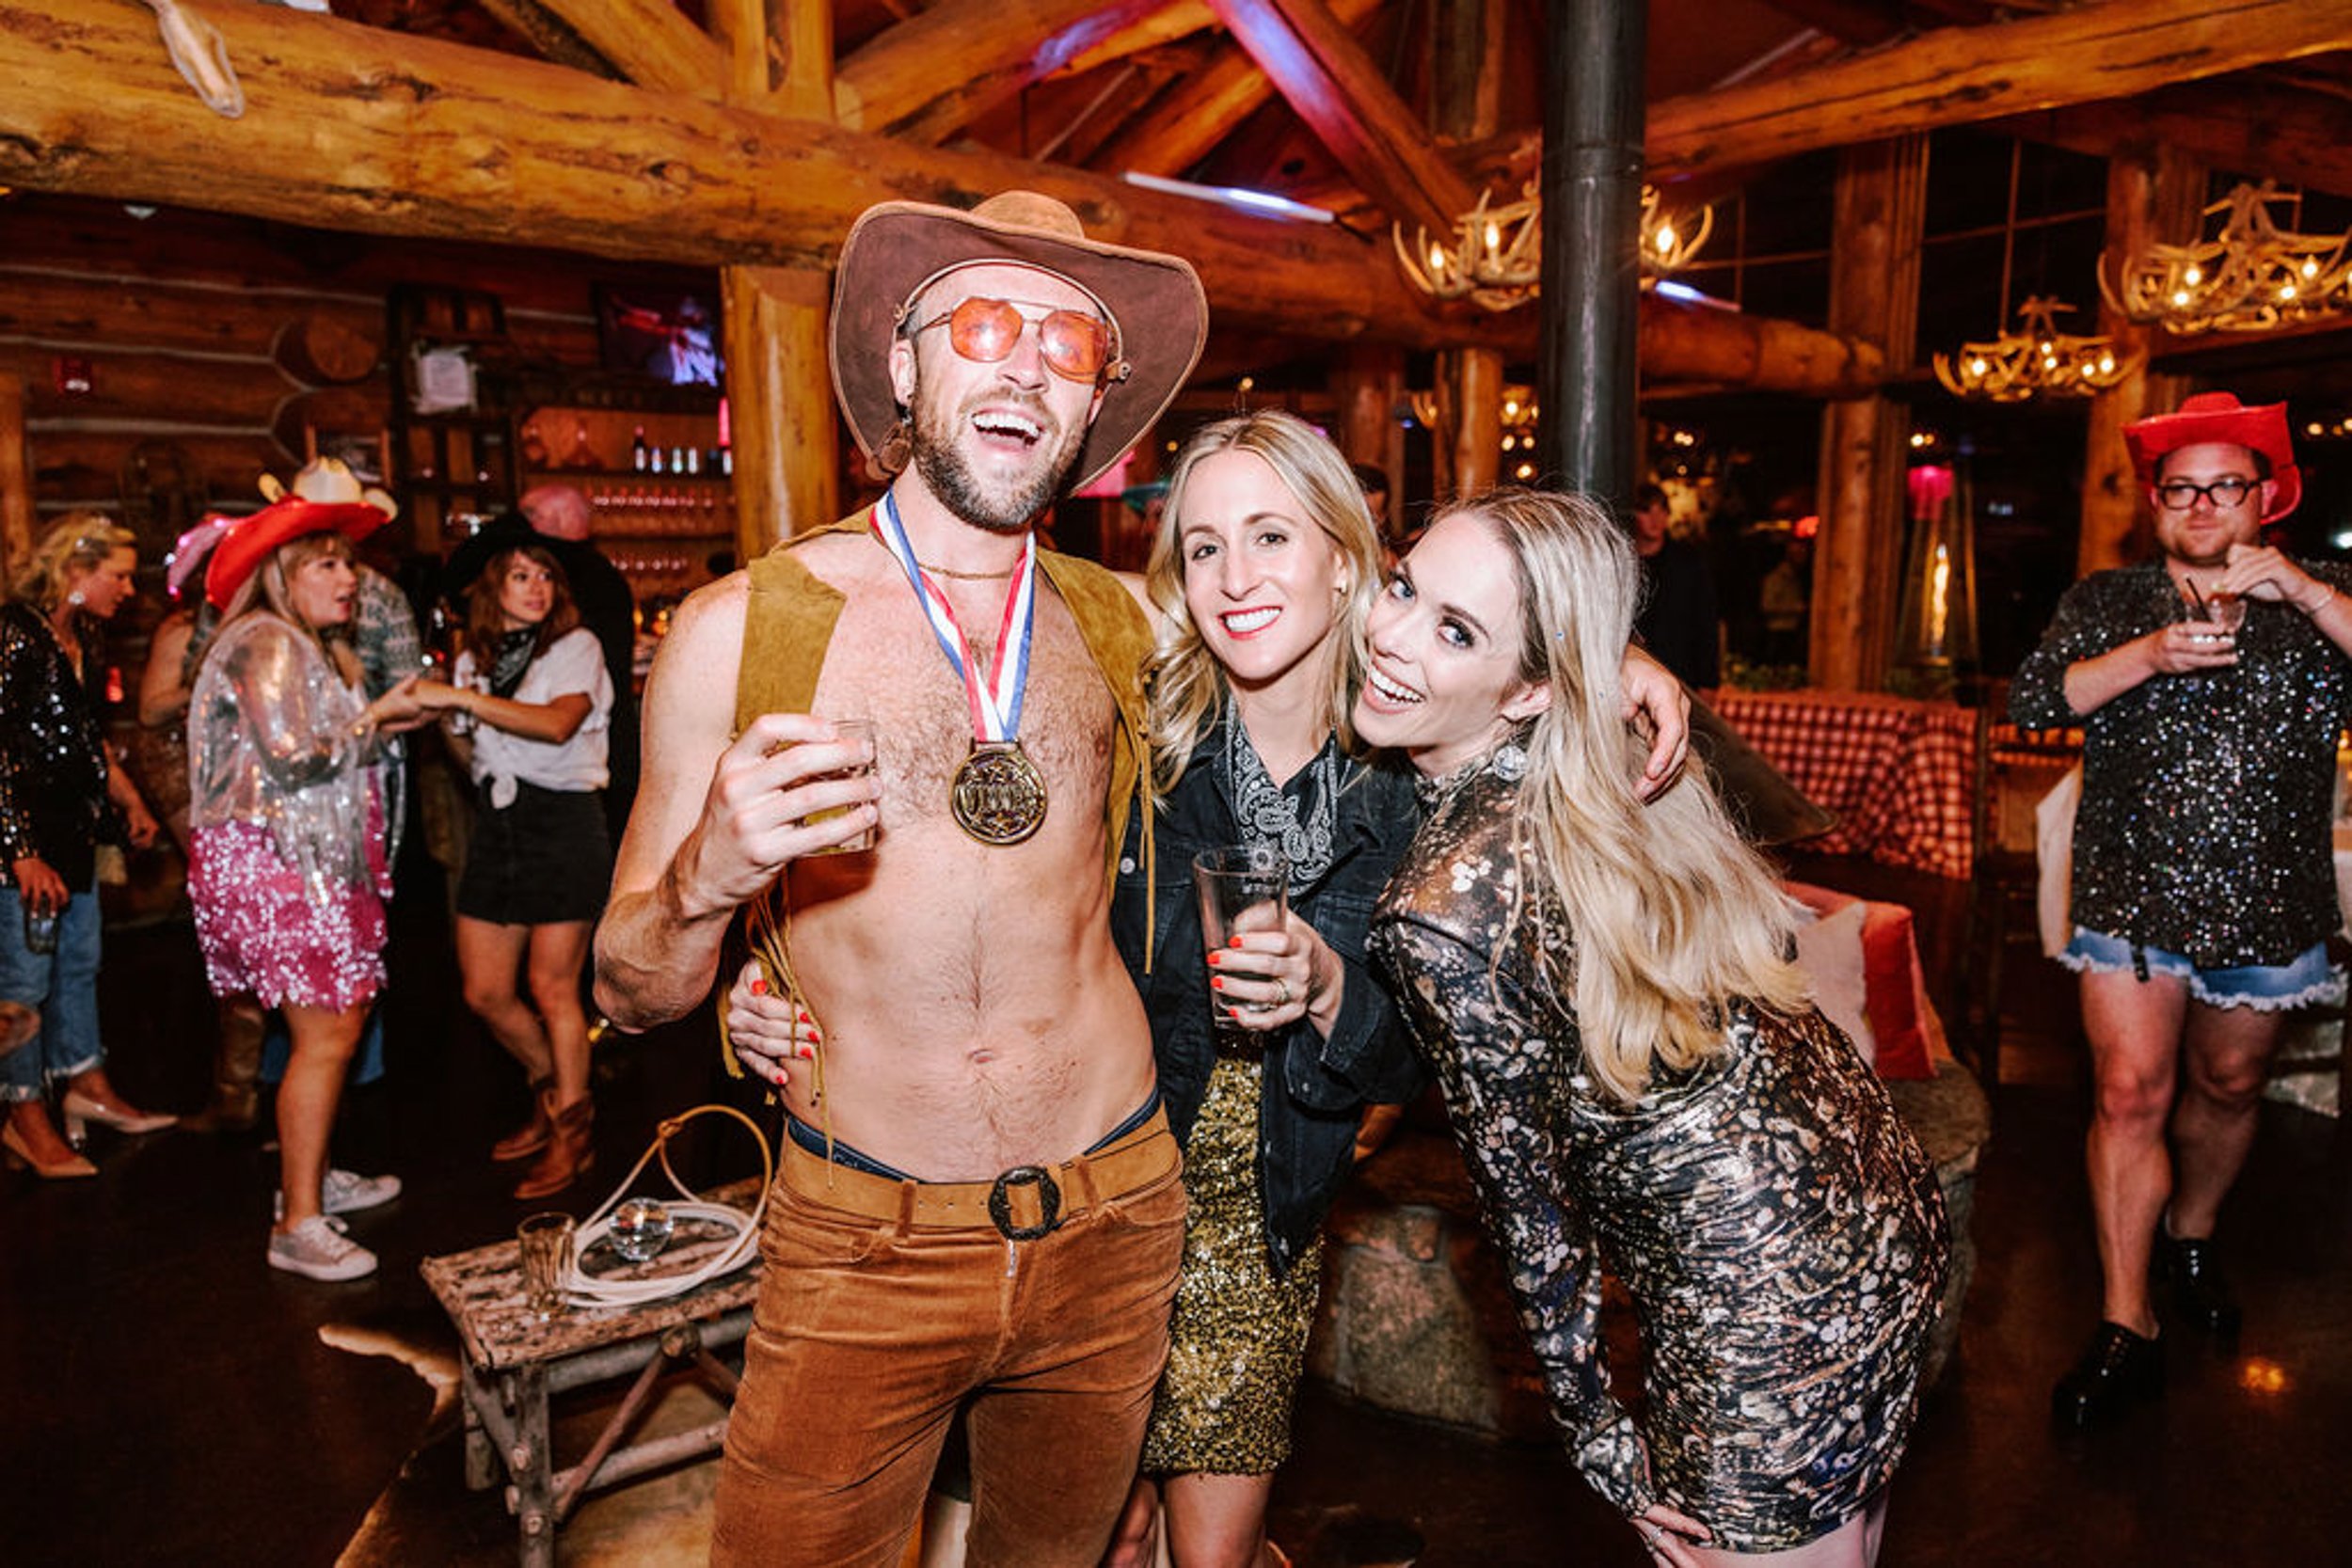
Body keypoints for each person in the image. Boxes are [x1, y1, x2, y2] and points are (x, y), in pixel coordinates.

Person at [596, 190, 1208, 1568]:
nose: (1025, 363)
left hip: (1116, 1212)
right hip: (864, 1234)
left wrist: (1603, 675)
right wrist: (709, 884)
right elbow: (626, 988)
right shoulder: (744, 628)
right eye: (984, 321)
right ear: (903, 363)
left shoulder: (1126, 625)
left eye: (1069, 341)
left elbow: (1359, 692)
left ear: (1097, 400)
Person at [1359, 488, 1949, 1567]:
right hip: (1884, 1223)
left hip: (1766, 1323)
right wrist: (1615, 665)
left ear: (1533, 684)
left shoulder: (1438, 909)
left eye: (1455, 629)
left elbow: (1525, 1208)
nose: (1388, 633)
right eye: (1402, 584)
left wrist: (1598, 1439)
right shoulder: (1601, 766)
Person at [2010, 392, 2352, 1426]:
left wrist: (2298, 586)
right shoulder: (2108, 599)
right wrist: (2146, 657)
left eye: (2224, 485)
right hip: (2128, 886)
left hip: (2270, 892)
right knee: (2125, 1091)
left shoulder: (2320, 594)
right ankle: (2127, 1322)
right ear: (2155, 503)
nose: (2201, 504)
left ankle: (2190, 1232)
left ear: (2265, 496)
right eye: (2180, 487)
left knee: (2230, 1079)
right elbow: (2033, 698)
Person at [187, 494, 433, 1279]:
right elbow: (297, 757)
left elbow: (307, 752)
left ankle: (311, 1174)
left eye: (349, 562)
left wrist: (376, 727)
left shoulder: (298, 643)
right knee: (328, 1031)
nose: (348, 577)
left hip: (302, 861)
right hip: (274, 863)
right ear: (281, 576)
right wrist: (379, 715)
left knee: (326, 1027)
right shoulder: (268, 642)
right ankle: (297, 1221)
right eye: (326, 563)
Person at [439, 524, 614, 1198]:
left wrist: (458, 700)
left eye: (545, 575)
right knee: (484, 990)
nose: (537, 587)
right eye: (520, 576)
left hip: (563, 821)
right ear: (493, 588)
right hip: (499, 822)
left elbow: (557, 723)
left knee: (551, 988)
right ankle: (555, 1089)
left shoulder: (575, 647)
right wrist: (454, 720)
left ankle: (574, 1130)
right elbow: (474, 753)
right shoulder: (473, 659)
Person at [0, 515, 170, 1178]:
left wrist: (128, 799)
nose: (129, 588)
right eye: (118, 574)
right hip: (21, 846)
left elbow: (86, 739)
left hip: (75, 835)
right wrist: (20, 850)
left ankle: (84, 1083)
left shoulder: (86, 638)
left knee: (78, 964)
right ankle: (21, 1113)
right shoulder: (14, 634)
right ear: (76, 571)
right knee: (21, 984)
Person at [134, 516, 270, 1134]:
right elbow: (151, 707)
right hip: (185, 776)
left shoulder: (266, 629)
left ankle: (248, 1083)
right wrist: (212, 680)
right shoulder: (182, 630)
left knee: (254, 932)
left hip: (246, 782)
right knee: (236, 928)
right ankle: (234, 1087)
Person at [516, 482, 640, 833]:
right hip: (599, 746)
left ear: (562, 517)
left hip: (588, 754)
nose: (522, 523)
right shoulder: (592, 571)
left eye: (530, 514)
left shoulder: (579, 576)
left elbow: (561, 720)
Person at [1629, 483, 1719, 691]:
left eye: (1662, 510)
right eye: (1646, 510)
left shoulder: (1688, 563)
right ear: (1634, 514)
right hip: (1635, 675)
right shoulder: (1622, 562)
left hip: (1681, 675)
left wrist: (1709, 681)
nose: (1655, 519)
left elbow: (1706, 621)